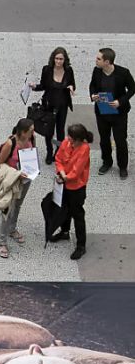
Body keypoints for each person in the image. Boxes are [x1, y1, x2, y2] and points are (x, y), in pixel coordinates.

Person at [89, 47, 135, 179]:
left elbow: (132, 88)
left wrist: (120, 101)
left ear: (107, 62)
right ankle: (107, 162)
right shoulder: (97, 71)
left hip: (119, 113)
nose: (95, 61)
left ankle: (122, 167)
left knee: (120, 141)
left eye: (99, 59)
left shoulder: (123, 73)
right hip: (102, 112)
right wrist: (93, 95)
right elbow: (92, 85)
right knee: (104, 140)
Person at [50, 123, 94, 260]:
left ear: (78, 139)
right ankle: (64, 231)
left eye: (71, 137)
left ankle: (81, 245)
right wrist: (62, 174)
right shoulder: (66, 142)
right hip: (64, 182)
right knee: (64, 209)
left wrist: (64, 177)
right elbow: (58, 159)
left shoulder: (84, 149)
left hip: (76, 187)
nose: (68, 139)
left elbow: (76, 171)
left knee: (78, 215)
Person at [0, 118, 35, 258]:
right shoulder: (10, 143)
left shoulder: (31, 139)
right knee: (8, 211)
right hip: (12, 181)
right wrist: (17, 173)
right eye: (30, 130)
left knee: (18, 205)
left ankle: (12, 229)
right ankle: (2, 242)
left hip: (25, 180)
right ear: (23, 132)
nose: (33, 132)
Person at [29, 47, 76, 164]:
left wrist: (71, 87)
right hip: (49, 105)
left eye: (61, 59)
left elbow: (72, 84)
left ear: (65, 60)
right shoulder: (47, 70)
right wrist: (34, 86)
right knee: (48, 131)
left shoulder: (69, 70)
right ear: (53, 59)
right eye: (57, 59)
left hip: (62, 106)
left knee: (60, 131)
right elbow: (43, 85)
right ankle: (49, 152)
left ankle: (58, 152)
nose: (59, 62)